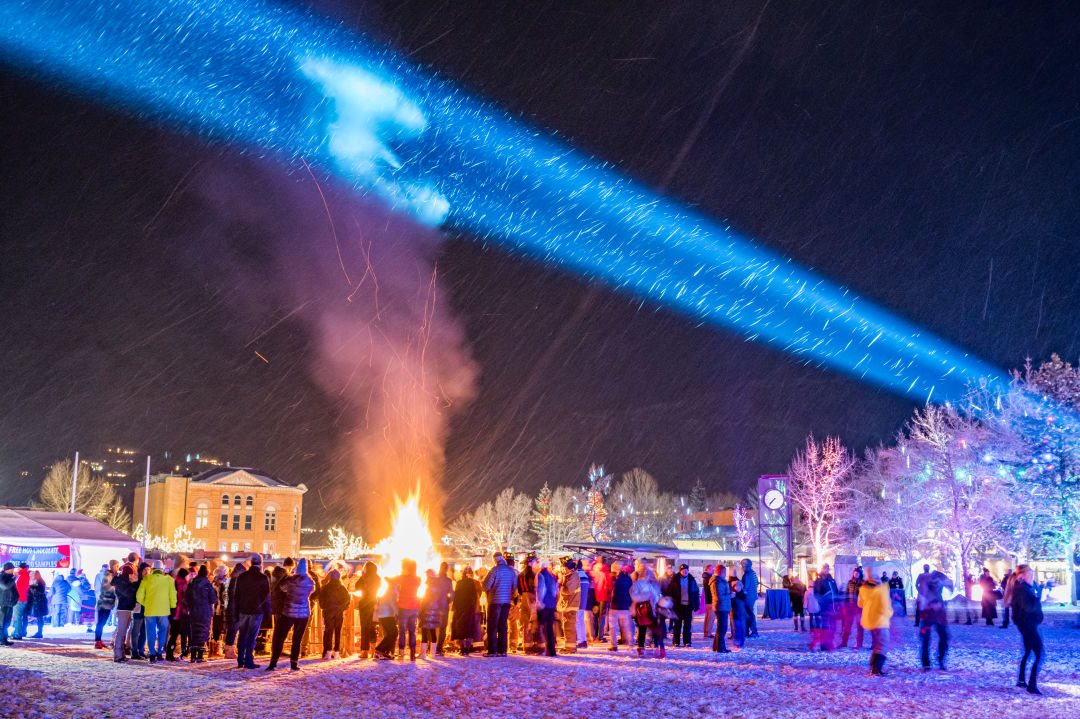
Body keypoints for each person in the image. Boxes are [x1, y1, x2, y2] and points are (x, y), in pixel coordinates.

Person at [267, 558, 314, 671]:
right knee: (297, 640)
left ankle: (273, 662)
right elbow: (312, 591)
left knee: (280, 637)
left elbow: (282, 588)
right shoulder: (310, 581)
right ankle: (294, 663)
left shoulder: (291, 580)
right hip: (304, 613)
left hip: (289, 611)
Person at [231, 554, 270, 669]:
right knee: (252, 636)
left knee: (242, 634)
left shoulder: (242, 576)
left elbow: (236, 595)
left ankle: (240, 660)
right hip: (256, 611)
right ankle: (248, 659)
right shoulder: (262, 578)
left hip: (243, 609)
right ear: (261, 563)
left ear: (251, 563)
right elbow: (266, 597)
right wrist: (267, 612)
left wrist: (236, 611)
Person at [1009, 564, 1043, 694]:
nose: (1032, 577)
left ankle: (1021, 680)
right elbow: (1028, 608)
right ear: (1023, 576)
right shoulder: (1022, 589)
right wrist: (1038, 595)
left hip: (1027, 625)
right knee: (1039, 653)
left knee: (1028, 651)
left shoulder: (1023, 588)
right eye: (1030, 574)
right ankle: (1032, 685)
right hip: (1028, 626)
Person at [135, 560, 177, 663]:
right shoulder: (169, 580)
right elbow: (173, 596)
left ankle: (152, 653)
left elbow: (139, 596)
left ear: (152, 569)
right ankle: (159, 652)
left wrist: (146, 603)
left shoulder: (146, 579)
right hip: (164, 610)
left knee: (150, 632)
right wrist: (172, 606)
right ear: (162, 569)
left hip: (150, 610)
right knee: (162, 631)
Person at [482, 551, 517, 657]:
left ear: (495, 560)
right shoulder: (511, 571)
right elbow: (515, 587)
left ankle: (492, 651)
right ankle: (503, 650)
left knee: (492, 626)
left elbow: (485, 587)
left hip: (494, 601)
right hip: (506, 602)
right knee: (503, 625)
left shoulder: (494, 571)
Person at [917, 567, 952, 671]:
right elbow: (921, 599)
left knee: (944, 636)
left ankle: (940, 660)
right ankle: (926, 663)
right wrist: (929, 605)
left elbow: (950, 586)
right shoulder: (924, 579)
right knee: (926, 638)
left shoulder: (937, 580)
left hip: (938, 614)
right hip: (928, 614)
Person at [858, 574, 893, 676]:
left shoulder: (864, 589)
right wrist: (889, 613)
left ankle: (873, 667)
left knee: (878, 644)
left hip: (870, 621)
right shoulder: (880, 590)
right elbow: (884, 607)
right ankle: (876, 669)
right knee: (883, 644)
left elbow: (859, 604)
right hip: (881, 621)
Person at [630, 559, 665, 658]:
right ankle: (641, 647)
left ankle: (659, 647)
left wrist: (660, 601)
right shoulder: (638, 584)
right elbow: (634, 596)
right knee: (642, 629)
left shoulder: (652, 584)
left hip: (652, 609)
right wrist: (647, 596)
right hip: (642, 610)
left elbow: (656, 595)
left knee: (655, 629)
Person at [185, 565, 217, 663]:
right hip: (205, 611)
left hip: (194, 611)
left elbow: (187, 596)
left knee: (194, 633)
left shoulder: (192, 582)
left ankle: (193, 656)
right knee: (203, 633)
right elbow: (213, 599)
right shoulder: (208, 584)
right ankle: (200, 656)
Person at [391, 559, 421, 661]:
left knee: (402, 630)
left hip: (403, 606)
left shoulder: (403, 578)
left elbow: (391, 580)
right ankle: (412, 654)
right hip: (415, 607)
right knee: (412, 631)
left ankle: (402, 652)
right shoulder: (418, 579)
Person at [318, 569, 351, 660]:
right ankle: (336, 652)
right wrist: (343, 608)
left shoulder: (325, 587)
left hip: (328, 612)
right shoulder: (342, 588)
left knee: (328, 632)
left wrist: (324, 607)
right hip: (339, 613)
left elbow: (321, 599)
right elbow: (347, 599)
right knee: (338, 632)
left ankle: (327, 652)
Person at [666, 563, 700, 648]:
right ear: (680, 571)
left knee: (687, 625)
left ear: (688, 570)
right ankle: (676, 641)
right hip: (678, 606)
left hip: (688, 606)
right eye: (683, 570)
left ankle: (687, 641)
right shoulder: (675, 579)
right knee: (677, 625)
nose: (684, 572)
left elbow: (696, 592)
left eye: (686, 570)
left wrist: (696, 604)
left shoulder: (692, 580)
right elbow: (670, 592)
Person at [110, 564, 137, 662]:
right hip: (123, 609)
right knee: (121, 632)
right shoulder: (121, 582)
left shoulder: (123, 582)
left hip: (127, 608)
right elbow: (129, 594)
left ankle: (120, 654)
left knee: (123, 632)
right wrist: (134, 583)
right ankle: (118, 655)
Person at [451, 566, 481, 655]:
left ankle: (462, 648)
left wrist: (454, 607)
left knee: (459, 629)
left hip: (460, 609)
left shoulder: (459, 583)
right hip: (471, 609)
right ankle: (467, 648)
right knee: (469, 629)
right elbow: (477, 595)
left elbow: (456, 596)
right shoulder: (474, 583)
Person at [811, 564, 839, 651]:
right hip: (825, 606)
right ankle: (824, 645)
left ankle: (830, 643)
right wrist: (822, 601)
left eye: (827, 568)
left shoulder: (831, 580)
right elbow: (817, 594)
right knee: (825, 625)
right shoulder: (819, 581)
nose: (826, 570)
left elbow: (836, 591)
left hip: (833, 606)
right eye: (825, 568)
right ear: (822, 569)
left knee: (832, 626)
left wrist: (837, 602)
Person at [355, 561, 380, 658]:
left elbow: (357, 587)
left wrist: (362, 576)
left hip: (365, 603)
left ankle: (365, 651)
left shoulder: (364, 578)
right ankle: (374, 650)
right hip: (374, 603)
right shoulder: (378, 578)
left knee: (364, 627)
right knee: (372, 626)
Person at [607, 561, 634, 652]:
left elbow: (610, 590)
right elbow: (631, 591)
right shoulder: (628, 578)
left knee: (613, 626)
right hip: (625, 604)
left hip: (615, 605)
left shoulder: (614, 579)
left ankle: (614, 645)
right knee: (626, 626)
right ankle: (630, 644)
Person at [165, 568, 190, 661]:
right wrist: (187, 608)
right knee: (175, 634)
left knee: (173, 633)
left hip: (172, 610)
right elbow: (183, 598)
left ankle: (169, 652)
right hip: (179, 612)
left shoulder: (175, 581)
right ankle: (169, 654)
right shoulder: (182, 584)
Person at [556, 558, 581, 654]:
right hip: (568, 605)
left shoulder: (574, 576)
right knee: (567, 626)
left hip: (571, 605)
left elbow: (568, 590)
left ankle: (570, 648)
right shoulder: (570, 575)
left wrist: (561, 586)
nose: (563, 570)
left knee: (569, 627)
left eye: (564, 568)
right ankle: (569, 646)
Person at [429, 562, 454, 656]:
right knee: (442, 628)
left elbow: (430, 592)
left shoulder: (434, 580)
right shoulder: (448, 581)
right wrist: (447, 601)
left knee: (433, 627)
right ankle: (439, 648)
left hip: (434, 606)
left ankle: (432, 648)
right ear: (447, 569)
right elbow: (451, 594)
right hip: (444, 606)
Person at [535, 559, 559, 657]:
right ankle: (551, 650)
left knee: (542, 627)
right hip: (551, 605)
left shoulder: (540, 575)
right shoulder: (551, 576)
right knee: (550, 628)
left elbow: (541, 589)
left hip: (544, 605)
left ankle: (544, 649)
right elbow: (555, 591)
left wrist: (539, 602)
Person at [517, 555, 539, 654]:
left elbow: (519, 589)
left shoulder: (520, 574)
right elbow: (533, 586)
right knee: (534, 621)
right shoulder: (534, 574)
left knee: (525, 623)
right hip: (532, 597)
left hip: (523, 598)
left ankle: (527, 646)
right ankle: (536, 644)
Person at [373, 579, 399, 661]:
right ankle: (379, 650)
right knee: (393, 633)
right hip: (387, 615)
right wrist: (397, 613)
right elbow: (392, 602)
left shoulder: (389, 589)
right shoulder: (392, 590)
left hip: (384, 615)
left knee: (390, 634)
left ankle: (384, 652)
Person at [840, 567, 864, 649]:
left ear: (860, 574)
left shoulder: (862, 583)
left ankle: (859, 644)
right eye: (855, 572)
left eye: (857, 573)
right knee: (847, 625)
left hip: (859, 607)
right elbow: (846, 594)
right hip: (850, 607)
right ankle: (844, 642)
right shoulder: (850, 582)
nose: (856, 574)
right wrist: (845, 605)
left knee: (859, 626)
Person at [710, 565, 732, 653]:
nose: (725, 574)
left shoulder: (719, 581)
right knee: (722, 628)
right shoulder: (717, 582)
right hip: (721, 607)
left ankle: (716, 646)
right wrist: (730, 595)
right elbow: (719, 596)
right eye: (724, 572)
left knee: (721, 627)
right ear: (721, 572)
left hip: (723, 606)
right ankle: (720, 648)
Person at [93, 569, 116, 650]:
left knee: (102, 623)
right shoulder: (106, 580)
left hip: (107, 604)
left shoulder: (107, 580)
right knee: (100, 623)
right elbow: (107, 591)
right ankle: (97, 641)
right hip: (104, 604)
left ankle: (99, 640)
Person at [591, 557, 612, 644]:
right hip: (603, 597)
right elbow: (609, 586)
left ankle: (594, 635)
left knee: (595, 617)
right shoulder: (606, 573)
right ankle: (600, 636)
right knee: (602, 617)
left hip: (594, 597)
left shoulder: (592, 571)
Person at [10, 563, 30, 640]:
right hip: (24, 598)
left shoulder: (21, 575)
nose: (17, 569)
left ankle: (17, 634)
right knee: (19, 617)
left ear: (21, 568)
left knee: (17, 618)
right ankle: (16, 632)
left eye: (18, 568)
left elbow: (17, 588)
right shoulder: (27, 575)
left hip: (18, 599)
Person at [740, 559, 759, 637]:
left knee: (748, 614)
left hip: (748, 597)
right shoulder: (753, 573)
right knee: (749, 613)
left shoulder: (747, 574)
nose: (742, 566)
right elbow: (757, 583)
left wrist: (741, 592)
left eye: (743, 565)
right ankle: (748, 631)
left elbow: (745, 587)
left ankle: (753, 631)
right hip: (753, 596)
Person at [28, 571, 48, 639]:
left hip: (38, 603)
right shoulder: (41, 582)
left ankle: (39, 633)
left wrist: (30, 587)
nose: (31, 576)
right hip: (40, 602)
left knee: (39, 617)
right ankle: (39, 632)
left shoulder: (38, 583)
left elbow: (37, 592)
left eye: (32, 575)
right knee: (40, 618)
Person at [0, 563, 16, 645]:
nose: (13, 570)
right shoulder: (1, 577)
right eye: (12, 569)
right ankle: (2, 640)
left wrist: (15, 598)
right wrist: (14, 579)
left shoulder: (10, 578)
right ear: (7, 569)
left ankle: (4, 639)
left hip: (9, 603)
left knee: (7, 622)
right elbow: (5, 587)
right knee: (2, 622)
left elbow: (14, 590)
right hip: (3, 603)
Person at [701, 564, 714, 640]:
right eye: (712, 569)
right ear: (708, 569)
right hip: (711, 600)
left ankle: (706, 632)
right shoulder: (709, 578)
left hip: (708, 600)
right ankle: (708, 633)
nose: (713, 570)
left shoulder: (706, 577)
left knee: (708, 617)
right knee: (710, 617)